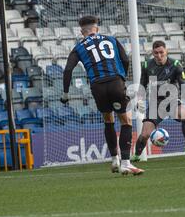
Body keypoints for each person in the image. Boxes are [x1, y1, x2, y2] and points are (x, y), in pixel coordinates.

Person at [61, 15, 144, 175]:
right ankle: (126, 163)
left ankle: (114, 160)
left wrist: (65, 94)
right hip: (115, 83)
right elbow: (125, 59)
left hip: (97, 86)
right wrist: (122, 78)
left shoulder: (78, 47)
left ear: (81, 32)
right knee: (125, 120)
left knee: (108, 119)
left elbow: (68, 70)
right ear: (96, 28)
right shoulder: (111, 39)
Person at [132, 40, 185, 162]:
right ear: (152, 53)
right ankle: (136, 157)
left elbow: (183, 85)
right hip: (156, 103)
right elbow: (142, 86)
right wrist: (139, 100)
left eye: (161, 52)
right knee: (145, 134)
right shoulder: (146, 66)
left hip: (172, 100)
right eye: (156, 53)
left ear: (166, 51)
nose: (159, 56)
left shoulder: (175, 64)